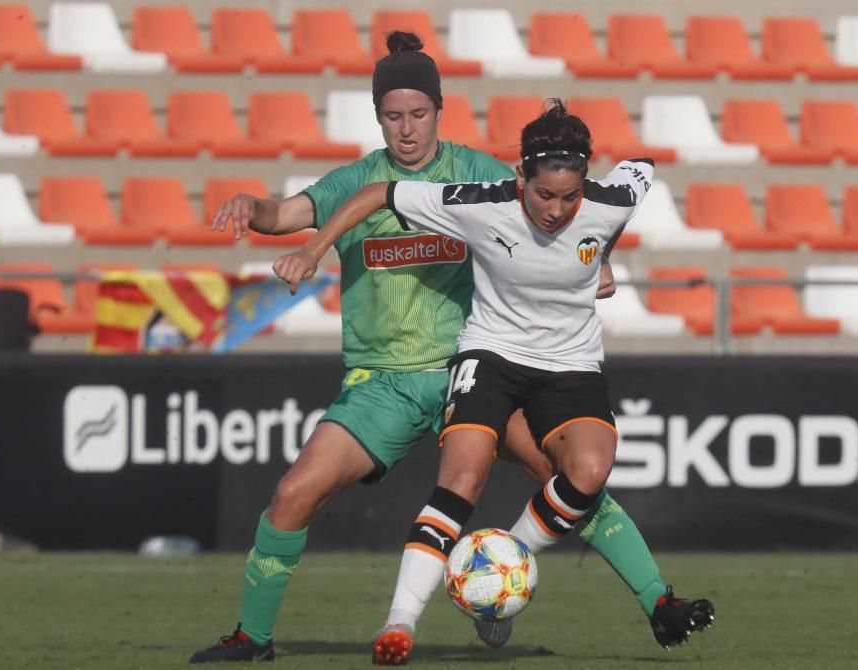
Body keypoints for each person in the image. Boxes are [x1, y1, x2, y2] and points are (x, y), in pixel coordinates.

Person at [190, 33, 703, 664]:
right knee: (293, 495)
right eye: (393, 116)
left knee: (569, 480)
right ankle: (253, 639)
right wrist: (254, 208)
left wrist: (595, 261)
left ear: (439, 109)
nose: (406, 130)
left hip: (471, 364)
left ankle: (655, 599)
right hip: (382, 382)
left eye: (418, 114)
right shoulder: (355, 181)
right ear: (378, 117)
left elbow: (570, 209)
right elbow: (282, 214)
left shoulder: (484, 175)